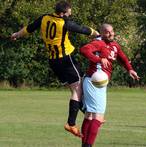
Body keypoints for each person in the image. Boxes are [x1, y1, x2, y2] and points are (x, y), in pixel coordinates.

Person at [11, 1, 99, 137]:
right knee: (78, 90)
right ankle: (71, 123)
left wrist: (17, 34)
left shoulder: (44, 18)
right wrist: (97, 34)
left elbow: (29, 28)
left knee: (76, 89)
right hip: (65, 59)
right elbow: (83, 29)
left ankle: (91, 116)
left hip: (53, 61)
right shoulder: (64, 23)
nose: (71, 14)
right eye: (69, 12)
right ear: (63, 13)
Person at [79, 23, 140, 147]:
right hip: (94, 81)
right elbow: (84, 50)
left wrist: (130, 69)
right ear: (101, 33)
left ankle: (85, 145)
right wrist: (99, 59)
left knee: (90, 115)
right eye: (107, 32)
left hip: (97, 83)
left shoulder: (114, 45)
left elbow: (122, 57)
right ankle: (88, 145)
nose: (111, 33)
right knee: (98, 116)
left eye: (112, 31)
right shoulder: (99, 42)